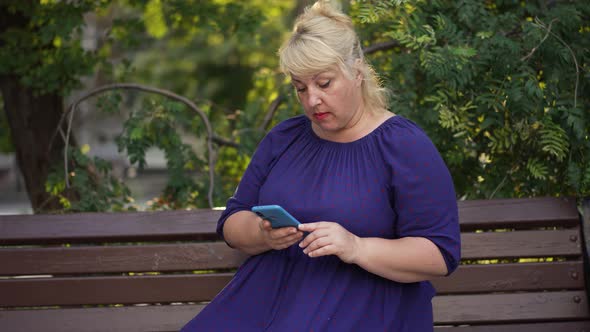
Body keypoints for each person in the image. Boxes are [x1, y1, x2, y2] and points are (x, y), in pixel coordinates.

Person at [180, 1, 460, 331]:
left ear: (357, 73)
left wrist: (356, 247)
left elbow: (439, 255)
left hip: (362, 310)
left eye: (324, 84)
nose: (312, 100)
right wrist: (263, 233)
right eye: (301, 88)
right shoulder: (285, 138)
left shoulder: (403, 146)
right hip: (266, 303)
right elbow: (233, 221)